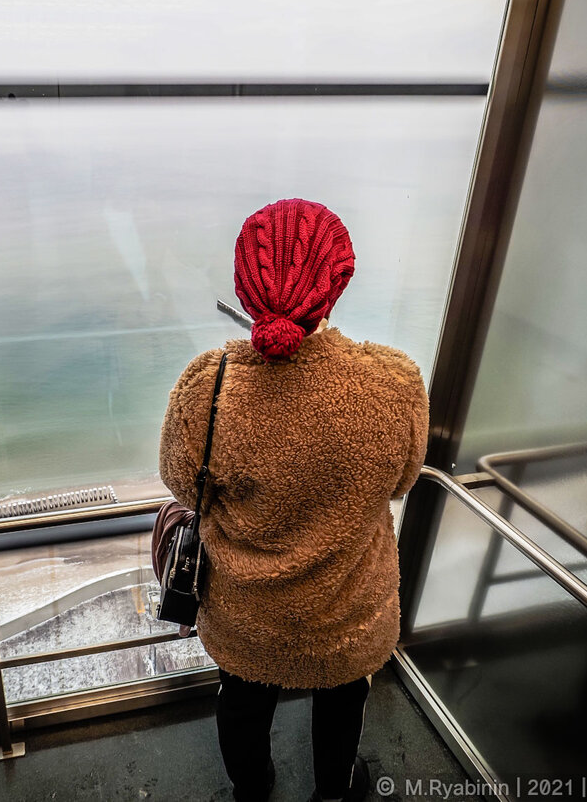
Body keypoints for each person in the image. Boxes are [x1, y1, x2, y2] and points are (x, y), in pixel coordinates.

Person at [158, 199, 429, 802]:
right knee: (344, 703)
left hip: (247, 614)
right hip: (349, 610)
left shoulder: (211, 386)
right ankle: (333, 791)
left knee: (243, 703)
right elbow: (404, 480)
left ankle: (253, 790)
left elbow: (184, 486)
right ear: (337, 283)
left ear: (243, 284)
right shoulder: (393, 383)